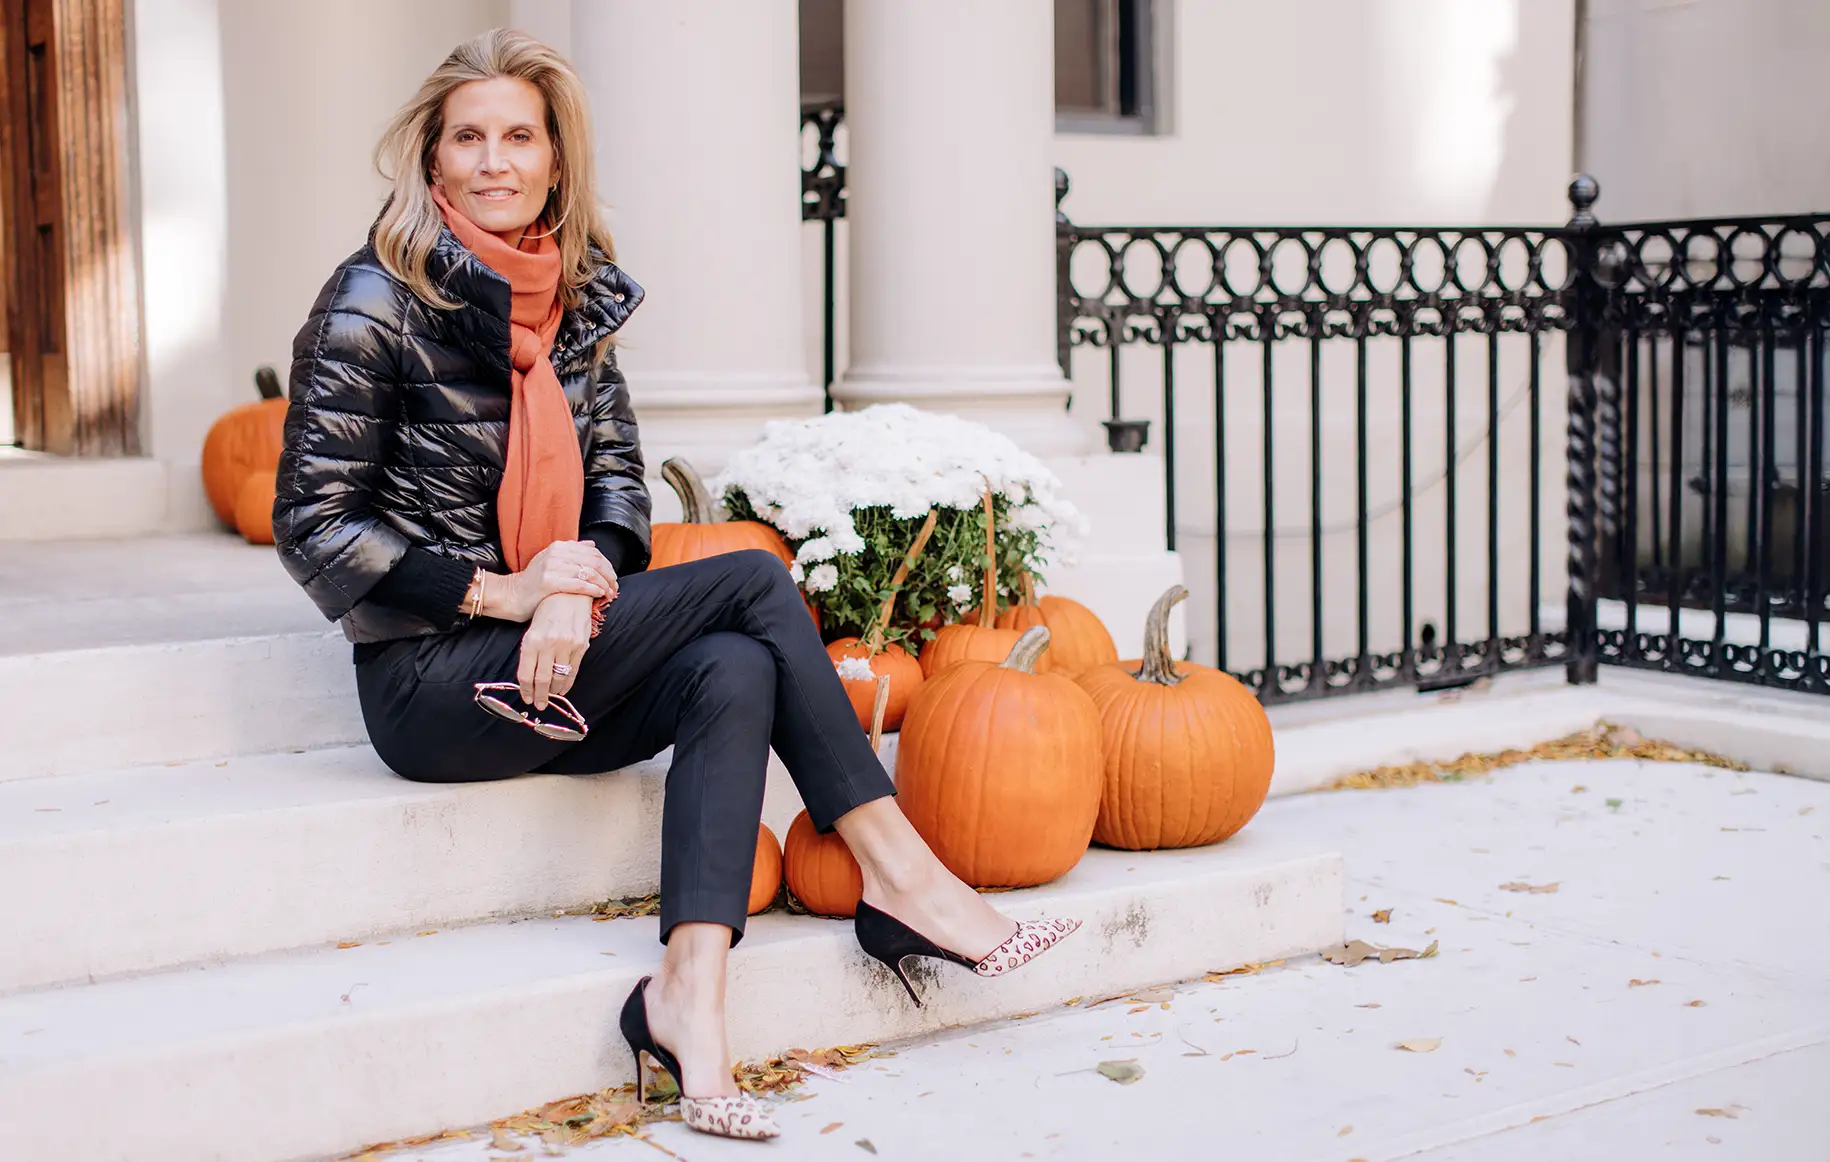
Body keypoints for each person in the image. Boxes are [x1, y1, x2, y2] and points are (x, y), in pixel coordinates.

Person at [273, 29, 1079, 1143]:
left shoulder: (578, 301)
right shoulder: (373, 299)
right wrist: (506, 593)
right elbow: (315, 525)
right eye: (470, 138)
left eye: (521, 136)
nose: (495, 161)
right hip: (435, 682)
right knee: (750, 576)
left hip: (561, 658)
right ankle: (904, 874)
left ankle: (684, 995)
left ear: (559, 162)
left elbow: (618, 493)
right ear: (431, 157)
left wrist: (573, 585)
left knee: (736, 661)